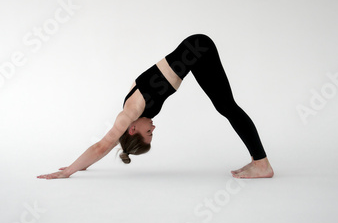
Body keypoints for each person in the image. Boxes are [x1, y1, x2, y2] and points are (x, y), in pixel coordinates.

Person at [37, 34, 273, 180]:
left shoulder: (130, 112)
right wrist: (81, 166)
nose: (153, 128)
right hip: (197, 51)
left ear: (132, 129)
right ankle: (259, 162)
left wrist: (68, 171)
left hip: (198, 49)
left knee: (227, 106)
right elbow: (107, 148)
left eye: (148, 133)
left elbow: (103, 146)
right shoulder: (135, 114)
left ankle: (261, 164)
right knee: (226, 106)